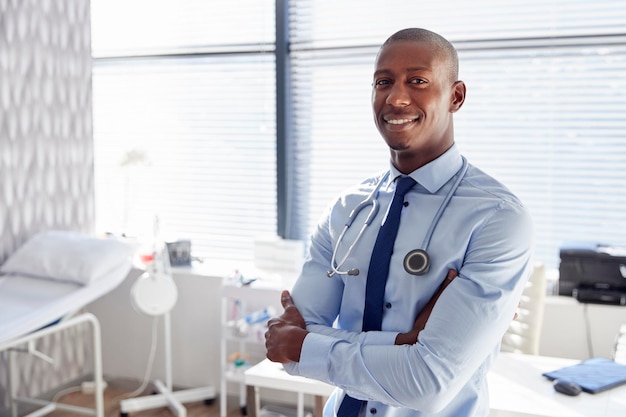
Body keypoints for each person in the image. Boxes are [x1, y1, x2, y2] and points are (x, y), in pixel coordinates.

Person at [264, 28, 534, 417]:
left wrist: (309, 346)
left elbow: (427, 383)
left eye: (417, 81)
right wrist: (403, 343)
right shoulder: (346, 210)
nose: (395, 97)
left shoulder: (497, 219)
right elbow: (283, 349)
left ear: (455, 96)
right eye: (383, 82)